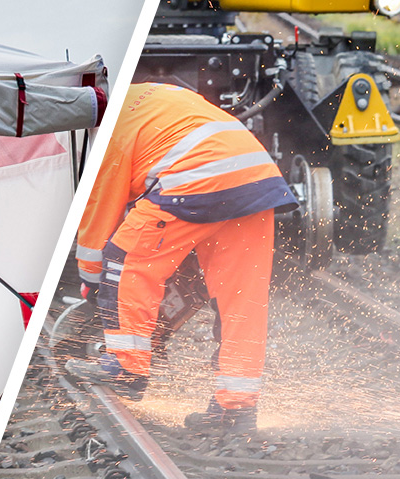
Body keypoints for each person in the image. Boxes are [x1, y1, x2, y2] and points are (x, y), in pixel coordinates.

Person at [72, 82, 295, 432]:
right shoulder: (150, 96)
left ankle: (125, 366)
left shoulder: (107, 128)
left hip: (200, 174)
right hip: (257, 178)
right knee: (241, 300)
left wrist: (91, 277)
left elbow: (102, 209)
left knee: (127, 259)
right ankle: (236, 408)